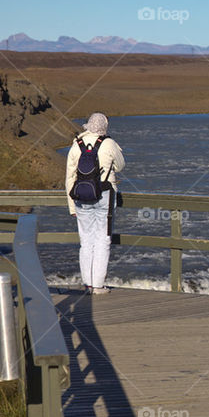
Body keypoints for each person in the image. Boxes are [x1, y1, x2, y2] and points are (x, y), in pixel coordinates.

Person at [65, 112, 125, 294]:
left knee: (86, 240)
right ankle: (98, 285)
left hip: (80, 197)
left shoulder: (77, 145)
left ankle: (88, 284)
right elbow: (121, 165)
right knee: (103, 240)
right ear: (104, 126)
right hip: (105, 195)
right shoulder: (109, 143)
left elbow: (69, 177)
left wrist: (71, 206)